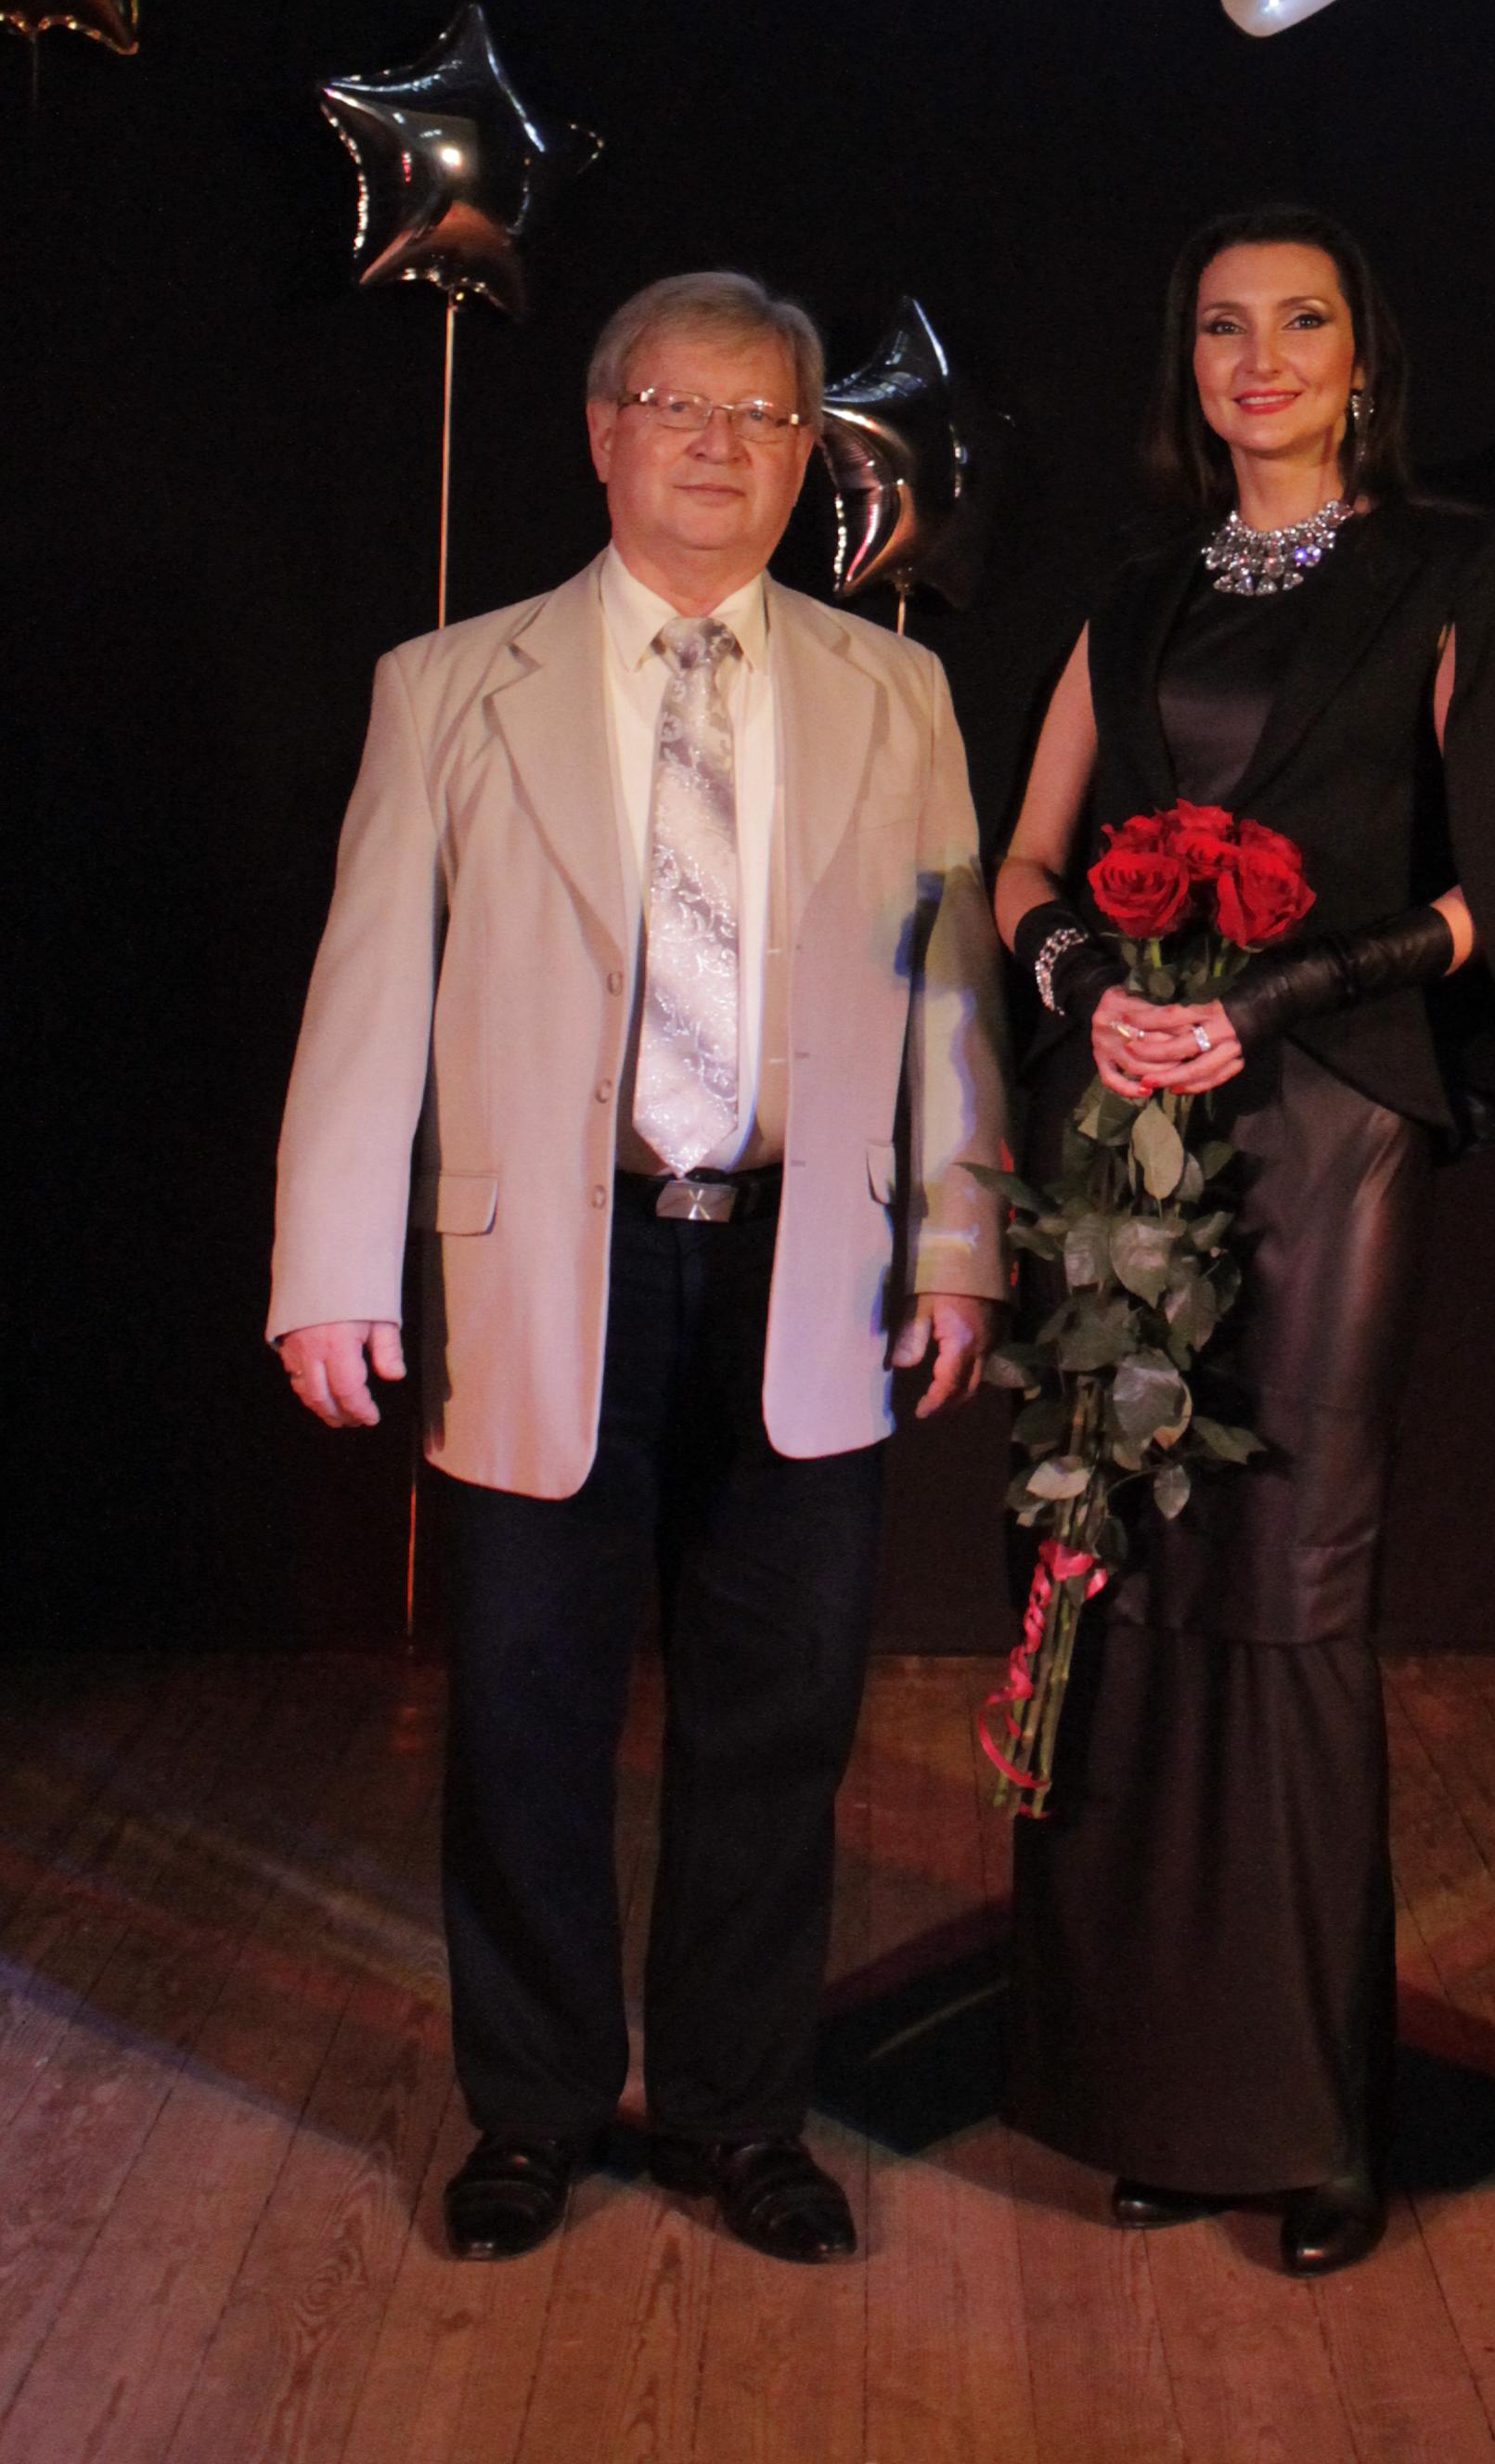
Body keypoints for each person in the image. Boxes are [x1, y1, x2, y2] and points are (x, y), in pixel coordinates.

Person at [269, 271, 1010, 2267]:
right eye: (676, 406)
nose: (715, 445)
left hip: (804, 1269)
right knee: (525, 1718)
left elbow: (950, 993)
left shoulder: (894, 691)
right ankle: (529, 2111)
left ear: (805, 455)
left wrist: (960, 1243)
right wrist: (331, 1265)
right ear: (602, 433)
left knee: (778, 1720)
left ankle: (735, 2114)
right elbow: (367, 992)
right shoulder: (450, 686)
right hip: (547, 1271)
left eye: (761, 417)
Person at [994, 207, 1495, 2275]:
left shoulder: (1450, 571)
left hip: (1328, 1122)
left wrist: (1274, 999)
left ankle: (1317, 2118)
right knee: (1134, 1575)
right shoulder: (1134, 595)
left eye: (1300, 321)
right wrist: (1086, 986)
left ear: (1360, 357)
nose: (1260, 357)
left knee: (1291, 1585)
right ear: (1190, 367)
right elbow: (1023, 862)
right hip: (1126, 1121)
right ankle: (1163, 2095)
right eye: (1223, 325)